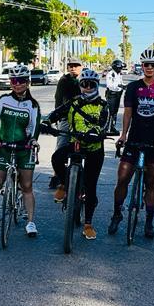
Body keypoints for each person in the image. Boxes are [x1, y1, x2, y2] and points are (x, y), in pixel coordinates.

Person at [109, 49, 154, 239]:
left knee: (151, 184)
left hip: (153, 139)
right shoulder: (133, 87)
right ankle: (117, 213)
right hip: (134, 138)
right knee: (122, 179)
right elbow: (127, 112)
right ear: (142, 66)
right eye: (146, 65)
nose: (150, 68)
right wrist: (123, 135)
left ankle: (149, 223)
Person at [0, 65, 41, 238]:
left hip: (24, 148)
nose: (17, 84)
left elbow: (36, 126)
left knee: (27, 186)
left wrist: (34, 140)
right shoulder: (4, 99)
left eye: (21, 81)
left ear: (27, 82)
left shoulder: (32, 105)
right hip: (4, 147)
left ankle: (30, 222)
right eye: (14, 81)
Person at [47, 68, 109, 240]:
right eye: (84, 84)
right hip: (75, 144)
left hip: (94, 149)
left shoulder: (103, 105)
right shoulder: (74, 103)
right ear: (80, 85)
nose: (87, 87)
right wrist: (47, 121)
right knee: (57, 158)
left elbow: (106, 124)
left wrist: (97, 132)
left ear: (96, 85)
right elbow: (57, 113)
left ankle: (88, 224)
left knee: (90, 187)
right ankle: (66, 185)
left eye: (91, 84)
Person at [49, 56, 83, 190]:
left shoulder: (86, 79)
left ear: (81, 66)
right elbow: (58, 100)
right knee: (61, 145)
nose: (73, 68)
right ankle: (57, 176)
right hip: (65, 118)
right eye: (70, 65)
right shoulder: (64, 80)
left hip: (84, 120)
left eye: (76, 65)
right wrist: (57, 117)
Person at [105, 59, 125, 134]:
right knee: (110, 111)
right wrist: (118, 86)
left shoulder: (119, 74)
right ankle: (106, 128)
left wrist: (124, 86)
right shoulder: (110, 74)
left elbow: (121, 82)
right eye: (119, 67)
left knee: (115, 112)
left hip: (118, 94)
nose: (120, 69)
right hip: (111, 94)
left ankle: (112, 127)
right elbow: (109, 85)